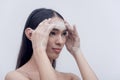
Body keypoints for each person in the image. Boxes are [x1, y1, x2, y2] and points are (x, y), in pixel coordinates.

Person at [5, 8, 98, 80]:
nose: (60, 41)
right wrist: (39, 49)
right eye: (52, 33)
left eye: (64, 33)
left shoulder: (70, 78)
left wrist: (76, 51)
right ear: (30, 34)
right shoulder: (15, 77)